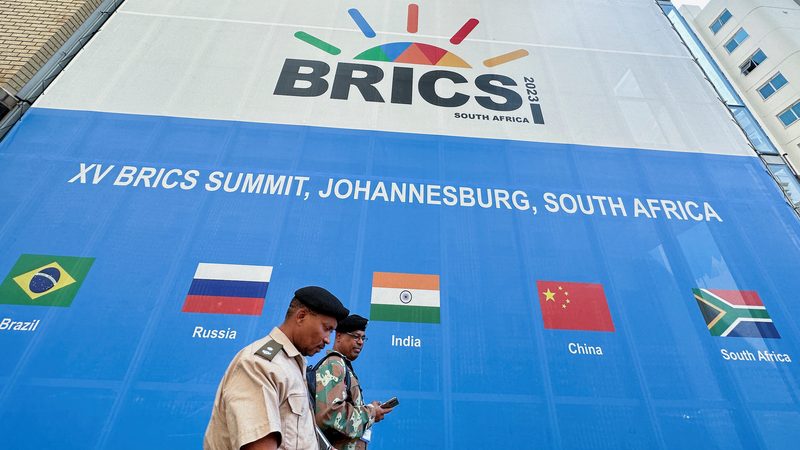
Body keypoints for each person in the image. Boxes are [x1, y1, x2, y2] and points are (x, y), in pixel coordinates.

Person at [204, 286, 349, 450]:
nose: (327, 340)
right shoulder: (261, 364)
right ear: (301, 316)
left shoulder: (290, 364)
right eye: (326, 328)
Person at [312, 314, 393, 450]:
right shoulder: (334, 364)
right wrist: (371, 413)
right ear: (338, 336)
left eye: (363, 338)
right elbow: (329, 415)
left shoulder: (342, 365)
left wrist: (369, 409)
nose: (360, 342)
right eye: (356, 336)